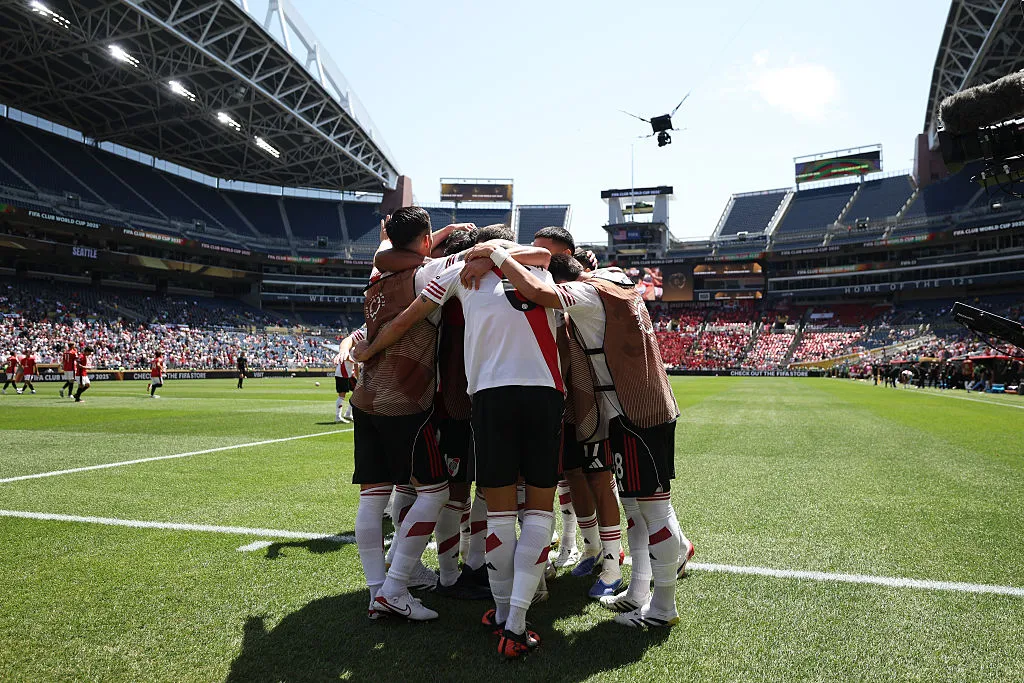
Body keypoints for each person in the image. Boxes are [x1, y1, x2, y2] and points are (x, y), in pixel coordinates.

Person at [353, 226, 563, 658]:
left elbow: (406, 317)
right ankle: (517, 620)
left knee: (498, 515)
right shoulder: (540, 271)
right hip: (545, 394)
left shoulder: (459, 273)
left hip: (487, 397)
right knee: (538, 511)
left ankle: (502, 614)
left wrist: (369, 350)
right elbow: (542, 253)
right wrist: (496, 253)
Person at [468, 249, 691, 628]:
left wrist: (496, 253)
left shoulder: (586, 294)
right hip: (638, 407)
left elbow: (537, 292)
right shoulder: (616, 279)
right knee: (636, 507)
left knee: (654, 510)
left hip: (634, 411)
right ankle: (640, 593)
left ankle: (663, 609)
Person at [331, 327, 365, 423]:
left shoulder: (350, 349)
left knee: (356, 393)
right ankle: (339, 416)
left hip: (347, 374)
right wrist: (358, 377)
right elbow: (356, 365)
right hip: (343, 374)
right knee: (343, 395)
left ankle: (348, 413)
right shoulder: (353, 349)